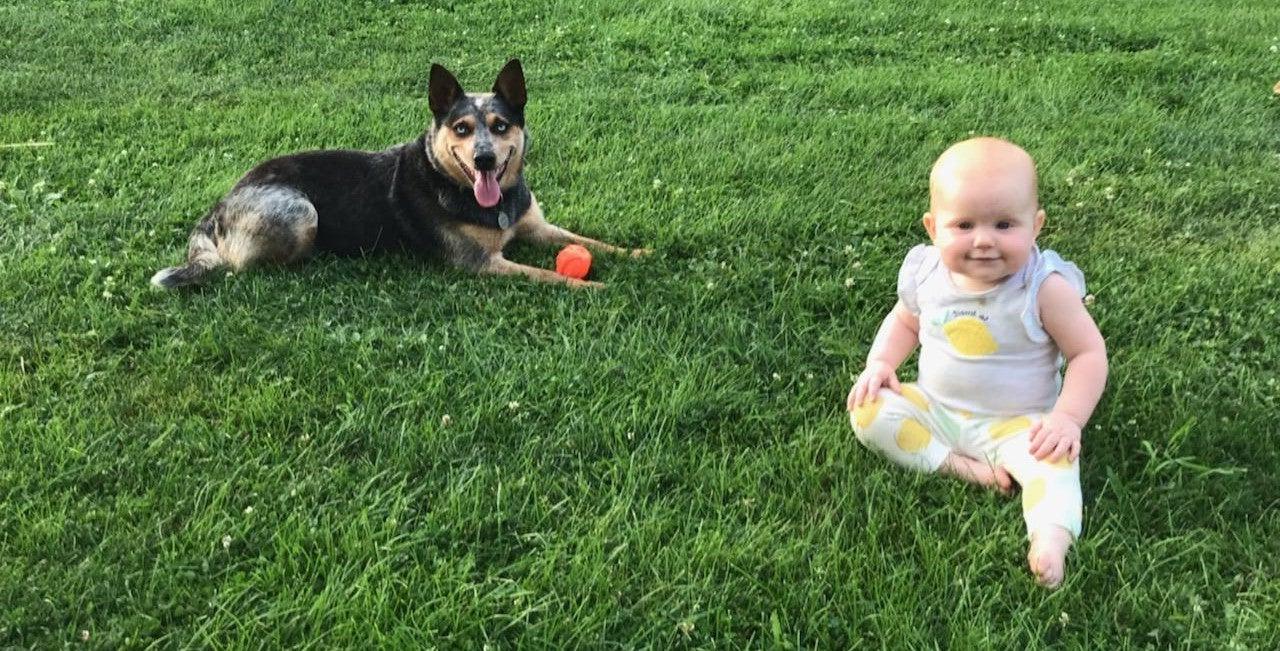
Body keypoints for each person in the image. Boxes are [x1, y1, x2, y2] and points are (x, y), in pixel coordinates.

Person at [846, 137, 1107, 588]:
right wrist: (880, 363)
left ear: (1036, 225)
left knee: (1056, 464)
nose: (983, 241)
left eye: (1004, 224)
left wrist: (1067, 419)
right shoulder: (928, 275)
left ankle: (1050, 538)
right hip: (936, 409)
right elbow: (905, 321)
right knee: (867, 411)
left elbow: (1088, 353)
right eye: (963, 225)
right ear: (933, 228)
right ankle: (963, 468)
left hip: (1020, 426)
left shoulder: (1043, 288)